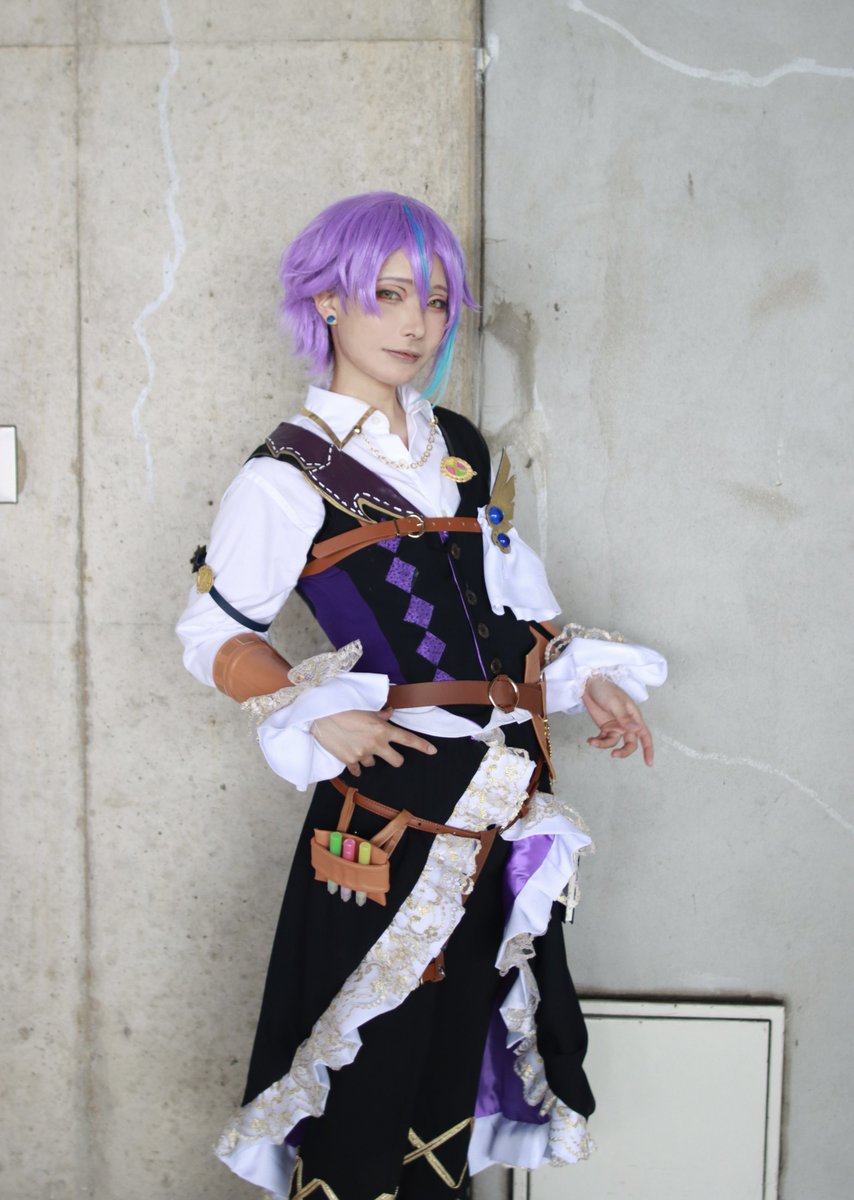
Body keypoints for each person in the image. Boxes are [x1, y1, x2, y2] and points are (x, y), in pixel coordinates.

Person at [176, 192, 666, 1200]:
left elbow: (512, 607)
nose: (416, 324)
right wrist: (313, 707)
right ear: (327, 302)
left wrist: (585, 678)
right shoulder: (286, 475)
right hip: (389, 811)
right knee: (369, 1075)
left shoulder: (459, 448)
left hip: (497, 797)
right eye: (388, 295)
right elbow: (213, 634)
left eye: (435, 301)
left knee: (454, 1062)